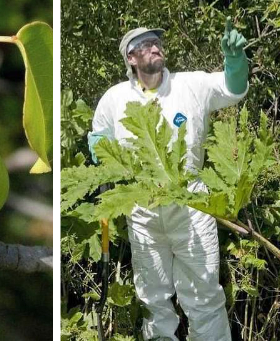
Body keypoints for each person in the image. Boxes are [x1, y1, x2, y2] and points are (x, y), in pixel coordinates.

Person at [87, 23, 249, 341]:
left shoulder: (192, 86)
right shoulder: (114, 99)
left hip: (190, 208)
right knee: (153, 302)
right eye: (146, 44)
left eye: (158, 42)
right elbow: (99, 142)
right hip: (143, 213)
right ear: (131, 57)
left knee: (204, 298)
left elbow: (233, 88)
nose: (156, 47)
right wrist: (100, 150)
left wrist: (236, 60)